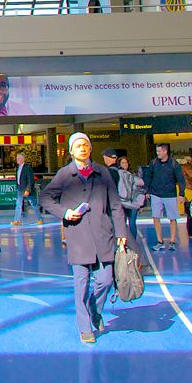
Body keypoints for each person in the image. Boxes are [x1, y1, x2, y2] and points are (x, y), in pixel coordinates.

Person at [39, 132, 127, 345]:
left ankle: (94, 310)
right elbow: (45, 197)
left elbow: (115, 204)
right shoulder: (64, 174)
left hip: (102, 235)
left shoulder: (103, 173)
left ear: (90, 148)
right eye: (78, 146)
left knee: (105, 280)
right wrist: (65, 212)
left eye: (85, 145)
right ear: (71, 151)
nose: (82, 148)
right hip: (78, 236)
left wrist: (121, 233)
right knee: (81, 284)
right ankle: (85, 327)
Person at [143, 143, 186, 251]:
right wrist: (147, 190)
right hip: (156, 194)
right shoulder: (153, 163)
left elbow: (181, 179)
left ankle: (172, 241)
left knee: (172, 218)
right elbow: (148, 176)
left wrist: (181, 194)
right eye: (157, 151)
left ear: (165, 152)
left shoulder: (174, 164)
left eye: (159, 151)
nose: (158, 153)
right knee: (156, 217)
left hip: (170, 194)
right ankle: (159, 241)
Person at [116, 156, 145, 241]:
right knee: (122, 222)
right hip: (122, 202)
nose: (125, 164)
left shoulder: (133, 175)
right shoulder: (118, 174)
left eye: (126, 162)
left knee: (132, 222)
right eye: (123, 163)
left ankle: (133, 242)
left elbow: (140, 184)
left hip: (133, 202)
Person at [11, 152, 41, 226]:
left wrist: (28, 190)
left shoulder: (27, 168)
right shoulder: (18, 168)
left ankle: (39, 219)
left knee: (33, 204)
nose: (17, 160)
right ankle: (17, 220)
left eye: (19, 158)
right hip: (19, 189)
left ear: (23, 159)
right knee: (18, 205)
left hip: (26, 189)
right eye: (17, 158)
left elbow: (30, 180)